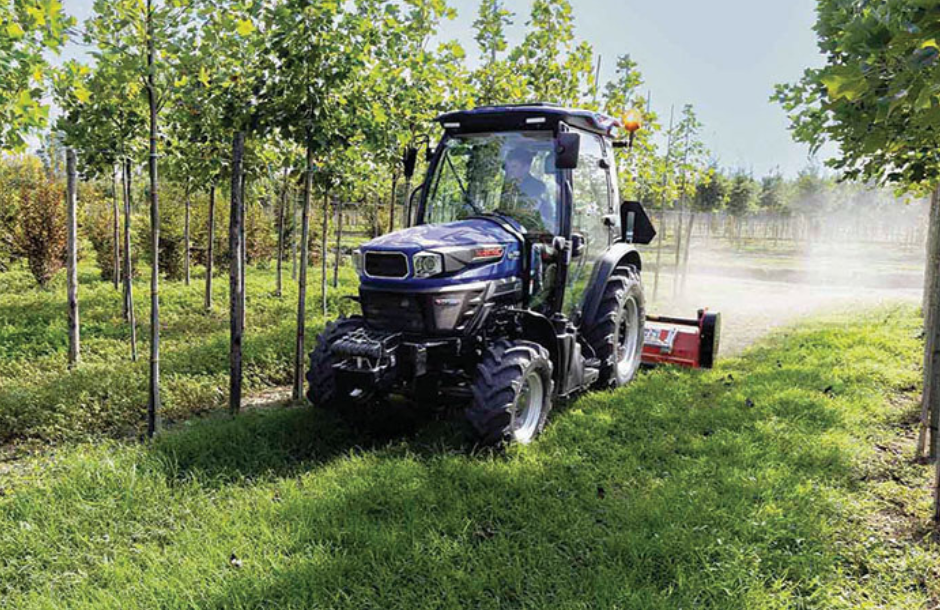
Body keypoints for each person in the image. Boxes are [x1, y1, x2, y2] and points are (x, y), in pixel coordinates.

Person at [498, 146, 555, 232]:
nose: (509, 170)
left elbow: (544, 215)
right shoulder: (500, 185)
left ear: (526, 167)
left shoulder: (538, 187)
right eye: (508, 167)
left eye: (514, 167)